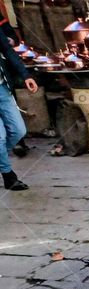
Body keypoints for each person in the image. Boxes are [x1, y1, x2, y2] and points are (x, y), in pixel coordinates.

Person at [1, 29, 37, 191]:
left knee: (18, 130)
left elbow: (8, 50)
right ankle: (8, 175)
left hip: (2, 88)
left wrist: (26, 75)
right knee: (0, 138)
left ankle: (2, 160)